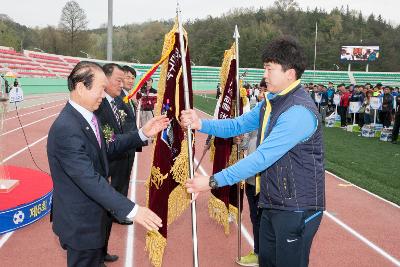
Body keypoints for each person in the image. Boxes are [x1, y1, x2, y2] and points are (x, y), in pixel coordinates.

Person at [181, 37, 324, 267]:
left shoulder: (298, 111)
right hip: (273, 201)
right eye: (265, 68)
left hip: (296, 206)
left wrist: (213, 180)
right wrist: (201, 124)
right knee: (267, 261)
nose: (264, 74)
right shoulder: (271, 102)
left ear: (290, 73)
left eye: (270, 69)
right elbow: (237, 125)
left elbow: (261, 158)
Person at [47, 61, 168, 267]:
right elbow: (88, 179)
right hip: (80, 223)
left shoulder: (86, 117)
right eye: (101, 89)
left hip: (93, 216)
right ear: (81, 87)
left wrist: (141, 133)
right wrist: (133, 210)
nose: (104, 95)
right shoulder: (67, 128)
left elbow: (108, 146)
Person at [95, 63, 148, 263]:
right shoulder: (100, 106)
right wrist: (141, 135)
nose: (122, 83)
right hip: (109, 164)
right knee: (104, 210)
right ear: (105, 80)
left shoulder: (115, 101)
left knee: (109, 209)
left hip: (119, 155)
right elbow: (109, 141)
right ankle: (98, 253)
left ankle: (102, 251)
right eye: (118, 79)